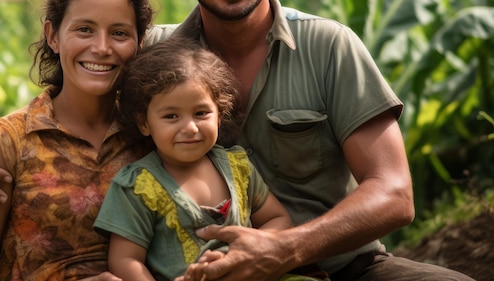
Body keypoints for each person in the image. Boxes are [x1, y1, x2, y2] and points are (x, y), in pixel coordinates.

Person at [0, 0, 476, 281]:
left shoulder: (329, 45)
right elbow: (72, 99)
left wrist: (284, 249)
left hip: (342, 267)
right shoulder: (154, 56)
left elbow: (395, 192)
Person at [0, 0, 155, 280]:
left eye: (119, 33)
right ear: (53, 35)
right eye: (84, 29)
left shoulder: (152, 134)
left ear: (140, 41)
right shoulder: (9, 144)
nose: (101, 48)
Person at [93, 39, 325, 281]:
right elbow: (125, 260)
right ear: (144, 123)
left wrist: (252, 251)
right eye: (171, 116)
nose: (191, 128)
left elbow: (277, 218)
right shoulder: (139, 187)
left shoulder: (238, 167)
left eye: (201, 113)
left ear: (220, 113)